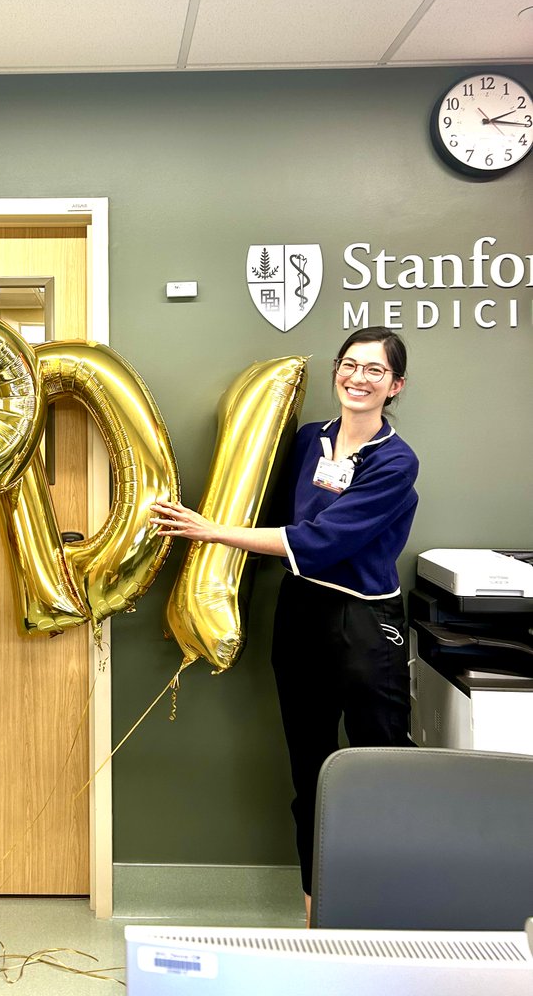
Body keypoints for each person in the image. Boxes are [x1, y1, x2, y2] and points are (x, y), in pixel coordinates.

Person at [151, 327, 418, 918]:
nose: (358, 377)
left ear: (395, 385)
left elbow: (320, 541)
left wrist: (209, 529)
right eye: (350, 365)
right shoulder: (307, 440)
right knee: (311, 774)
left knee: (385, 768)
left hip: (365, 624)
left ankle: (390, 916)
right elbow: (269, 515)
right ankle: (318, 917)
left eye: (375, 370)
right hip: (300, 615)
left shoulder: (396, 462)